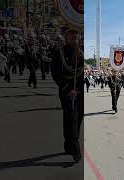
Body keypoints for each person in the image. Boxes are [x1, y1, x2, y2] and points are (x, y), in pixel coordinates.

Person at [51, 28, 83, 162]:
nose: (75, 37)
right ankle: (76, 150)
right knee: (72, 117)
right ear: (67, 37)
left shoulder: (81, 54)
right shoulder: (60, 53)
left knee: (77, 118)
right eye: (72, 35)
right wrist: (68, 90)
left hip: (79, 91)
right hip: (66, 91)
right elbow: (56, 73)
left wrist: (78, 89)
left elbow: (82, 74)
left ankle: (68, 143)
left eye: (77, 35)